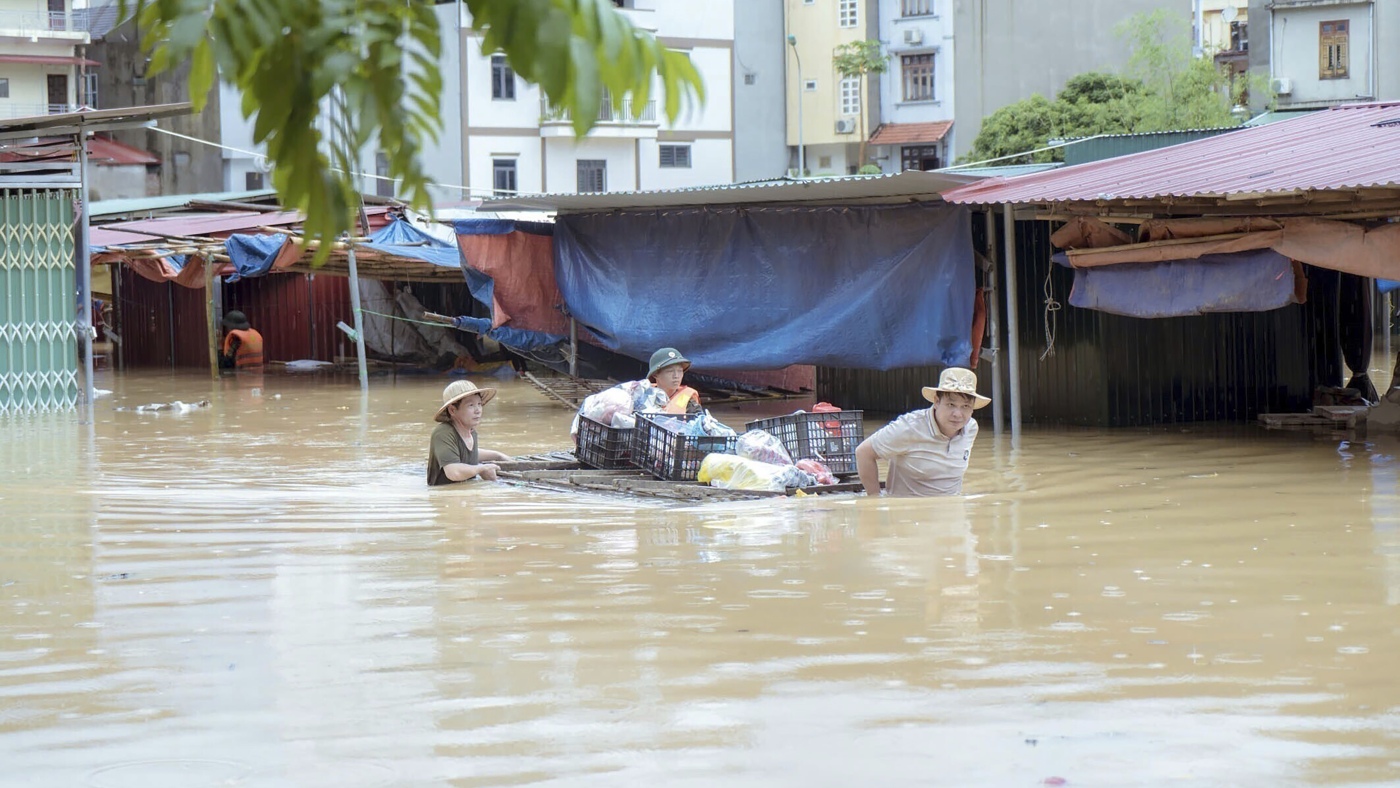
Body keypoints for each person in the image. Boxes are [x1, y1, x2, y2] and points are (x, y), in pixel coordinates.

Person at [855, 367, 990, 497]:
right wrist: (875, 500)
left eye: (965, 406)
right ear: (937, 402)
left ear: (972, 409)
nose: (958, 414)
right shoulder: (909, 427)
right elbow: (863, 453)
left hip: (953, 512)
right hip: (911, 514)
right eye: (951, 405)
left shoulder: (970, 428)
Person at [428, 379, 512, 486]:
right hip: (445, 497)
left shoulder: (471, 431)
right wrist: (482, 468)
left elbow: (468, 453)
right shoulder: (443, 433)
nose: (478, 410)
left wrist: (498, 455)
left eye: (479, 404)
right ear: (452, 410)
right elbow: (453, 472)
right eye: (471, 405)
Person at [648, 347, 702, 415]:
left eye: (680, 371)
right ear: (655, 375)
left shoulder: (686, 400)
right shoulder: (643, 396)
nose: (676, 376)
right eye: (670, 371)